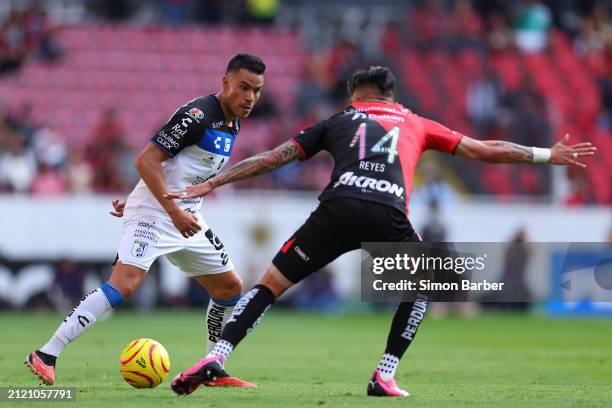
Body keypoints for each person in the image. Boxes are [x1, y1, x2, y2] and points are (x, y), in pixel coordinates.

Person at [166, 66, 597, 397]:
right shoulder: (417, 122)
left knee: (268, 286)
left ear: (358, 94)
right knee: (421, 286)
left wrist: (214, 182)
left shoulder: (341, 118)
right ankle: (384, 374)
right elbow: (487, 150)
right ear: (391, 95)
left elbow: (273, 157)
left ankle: (217, 357)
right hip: (387, 212)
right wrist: (546, 155)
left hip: (337, 209)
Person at [24, 53, 266, 388]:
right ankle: (46, 353)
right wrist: (161, 206)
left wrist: (150, 199)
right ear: (225, 82)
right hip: (162, 213)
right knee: (124, 284)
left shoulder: (233, 121)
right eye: (243, 87)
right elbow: (146, 160)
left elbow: (175, 167)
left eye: (256, 90)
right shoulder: (197, 115)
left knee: (230, 287)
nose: (250, 97)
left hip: (185, 215)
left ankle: (211, 368)